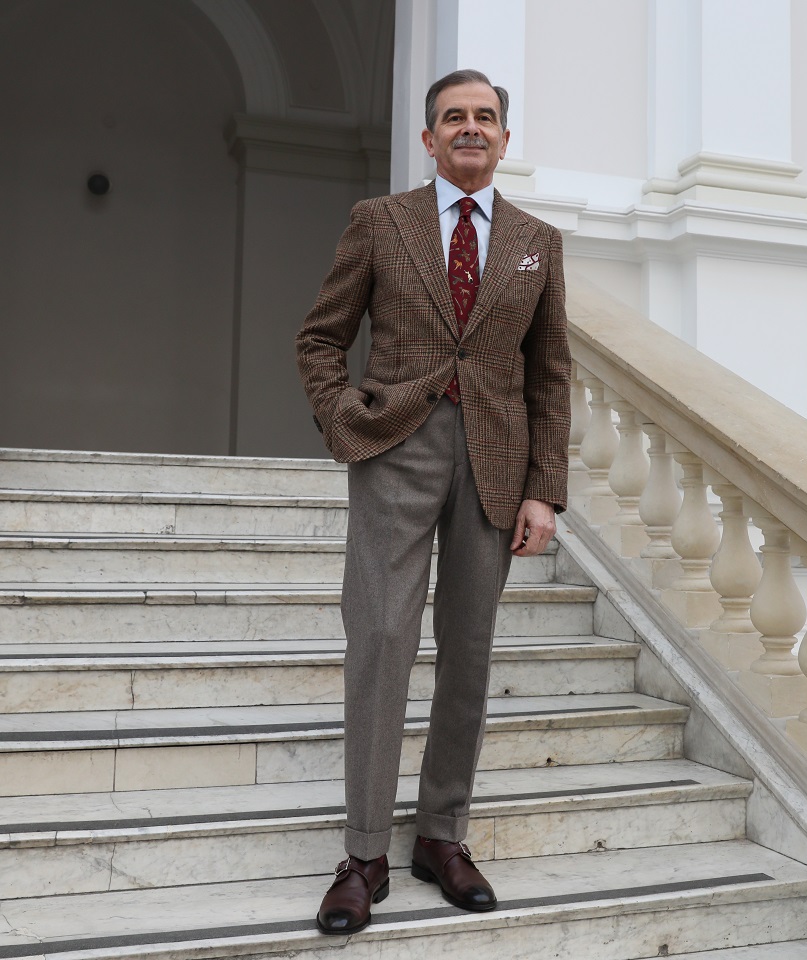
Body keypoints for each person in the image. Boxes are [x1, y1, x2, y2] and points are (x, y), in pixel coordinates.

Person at [295, 68, 571, 936]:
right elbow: (320, 337)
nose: (470, 128)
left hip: (495, 463)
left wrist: (544, 490)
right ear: (428, 138)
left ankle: (440, 836)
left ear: (504, 137)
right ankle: (364, 855)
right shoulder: (380, 222)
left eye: (484, 117)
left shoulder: (536, 242)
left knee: (469, 652)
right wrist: (345, 420)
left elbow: (549, 374)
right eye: (454, 117)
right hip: (396, 449)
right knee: (381, 641)